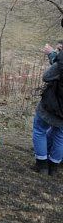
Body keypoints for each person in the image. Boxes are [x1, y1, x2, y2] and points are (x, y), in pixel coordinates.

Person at [33, 45, 63, 176]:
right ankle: (54, 167)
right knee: (60, 135)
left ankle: (42, 165)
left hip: (53, 105)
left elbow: (47, 76)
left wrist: (53, 54)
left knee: (39, 129)